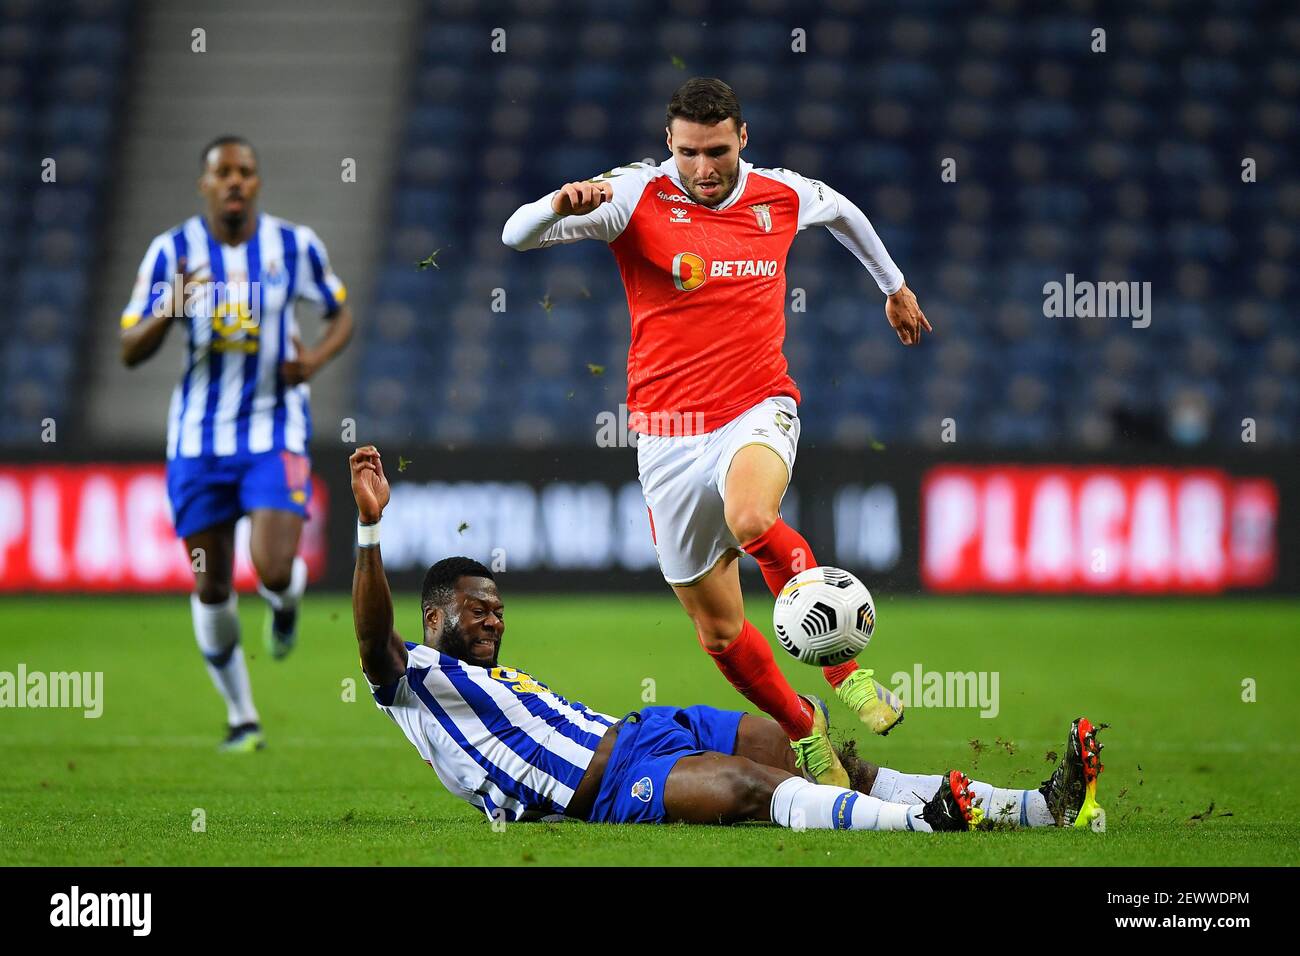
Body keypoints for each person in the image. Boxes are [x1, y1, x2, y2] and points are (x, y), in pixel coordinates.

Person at [502, 77, 929, 786]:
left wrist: (894, 285)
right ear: (669, 144)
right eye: (690, 153)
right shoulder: (634, 195)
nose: (704, 169)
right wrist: (557, 204)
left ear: (743, 140)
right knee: (720, 632)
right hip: (666, 433)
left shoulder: (780, 194)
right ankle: (804, 730)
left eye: (719, 151)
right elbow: (514, 235)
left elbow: (846, 211)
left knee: (753, 514)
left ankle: (848, 674)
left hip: (755, 406)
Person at [348, 445, 1106, 832]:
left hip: (646, 730)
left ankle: (1038, 809)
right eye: (477, 610)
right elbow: (371, 636)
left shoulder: (491, 682)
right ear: (433, 620)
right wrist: (371, 526)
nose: (493, 619)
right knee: (749, 790)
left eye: (498, 608)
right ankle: (924, 822)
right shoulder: (409, 678)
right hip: (607, 791)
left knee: (823, 753)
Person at [120, 135, 353, 751]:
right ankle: (243, 717)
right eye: (221, 172)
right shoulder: (170, 253)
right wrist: (169, 304)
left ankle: (284, 603)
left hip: (275, 430)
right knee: (212, 583)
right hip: (197, 442)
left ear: (257, 183)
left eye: (244, 172)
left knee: (273, 567)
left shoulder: (293, 246)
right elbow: (129, 349)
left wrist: (315, 362)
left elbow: (340, 312)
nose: (233, 182)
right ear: (203, 184)